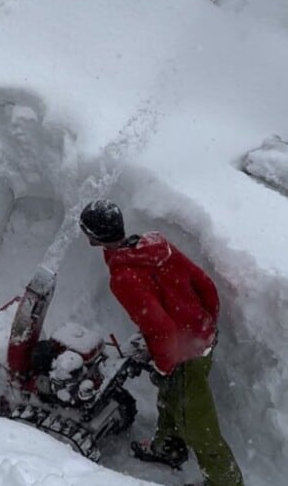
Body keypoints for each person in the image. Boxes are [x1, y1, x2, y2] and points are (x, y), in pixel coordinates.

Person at [78, 199, 243, 486]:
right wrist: (204, 325)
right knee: (171, 398)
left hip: (185, 352)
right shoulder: (156, 244)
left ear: (94, 239)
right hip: (202, 335)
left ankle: (225, 482)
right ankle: (168, 447)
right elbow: (204, 283)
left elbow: (162, 328)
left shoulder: (123, 275)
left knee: (199, 425)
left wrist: (166, 363)